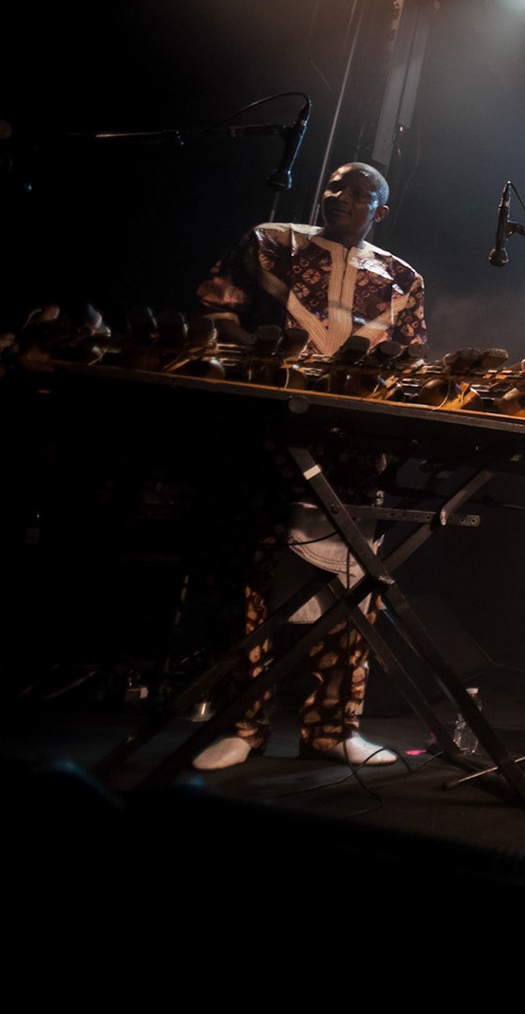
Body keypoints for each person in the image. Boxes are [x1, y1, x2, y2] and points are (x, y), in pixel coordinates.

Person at [189, 162, 425, 769]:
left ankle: (333, 728)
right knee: (250, 574)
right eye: (335, 186)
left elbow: (409, 360)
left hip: (353, 448)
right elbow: (216, 311)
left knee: (355, 579)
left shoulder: (401, 277)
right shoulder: (272, 242)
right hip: (270, 433)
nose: (338, 196)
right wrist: (262, 365)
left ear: (381, 210)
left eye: (357, 191)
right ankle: (242, 725)